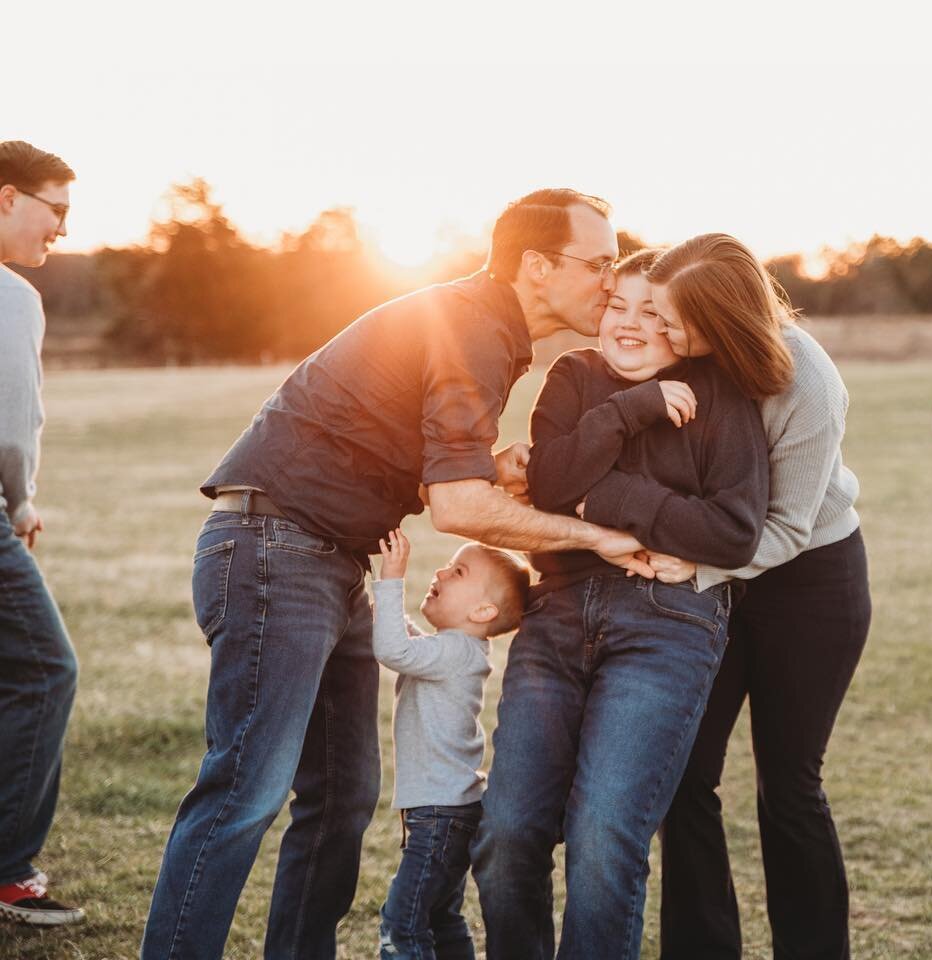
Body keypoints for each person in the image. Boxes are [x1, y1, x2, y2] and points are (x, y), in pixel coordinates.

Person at [142, 188, 650, 960]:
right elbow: (454, 506)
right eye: (600, 264)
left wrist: (493, 469)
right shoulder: (472, 328)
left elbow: (411, 459)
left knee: (344, 796)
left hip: (331, 558)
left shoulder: (489, 331)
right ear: (538, 266)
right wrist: (593, 536)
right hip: (275, 547)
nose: (612, 282)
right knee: (245, 788)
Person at [472, 249, 771, 960]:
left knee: (606, 835)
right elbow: (547, 484)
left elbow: (733, 531)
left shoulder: (720, 395)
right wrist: (631, 410)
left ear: (682, 326)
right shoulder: (572, 378)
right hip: (558, 614)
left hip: (668, 627)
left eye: (652, 312)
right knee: (508, 832)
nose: (630, 323)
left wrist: (600, 498)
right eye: (618, 305)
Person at [651, 234, 870, 960]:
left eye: (677, 320)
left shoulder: (807, 379)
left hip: (809, 579)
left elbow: (786, 527)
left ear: (725, 318)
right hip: (719, 575)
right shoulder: (684, 361)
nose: (666, 333)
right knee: (682, 777)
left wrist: (692, 569)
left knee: (789, 785)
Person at [371, 528, 527, 960]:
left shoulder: (455, 653)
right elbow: (409, 642)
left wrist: (390, 579)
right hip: (447, 812)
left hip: (439, 816)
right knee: (441, 918)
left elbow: (393, 650)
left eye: (458, 571)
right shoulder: (457, 650)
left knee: (401, 925)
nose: (441, 571)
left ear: (482, 610)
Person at [0, 140, 85, 927]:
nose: (61, 229)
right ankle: (9, 870)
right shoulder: (13, 296)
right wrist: (21, 503)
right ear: (6, 199)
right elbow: (12, 425)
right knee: (46, 671)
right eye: (55, 210)